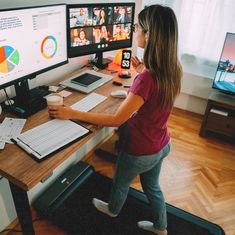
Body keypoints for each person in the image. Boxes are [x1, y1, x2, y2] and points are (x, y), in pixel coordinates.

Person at [48, 4, 182, 235]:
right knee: (153, 188)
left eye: (138, 27)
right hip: (162, 143)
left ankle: (112, 210)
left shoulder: (146, 79)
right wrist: (140, 73)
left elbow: (117, 119)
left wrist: (72, 113)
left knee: (120, 183)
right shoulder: (172, 68)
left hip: (139, 150)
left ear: (149, 35)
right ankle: (161, 227)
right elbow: (151, 98)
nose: (135, 31)